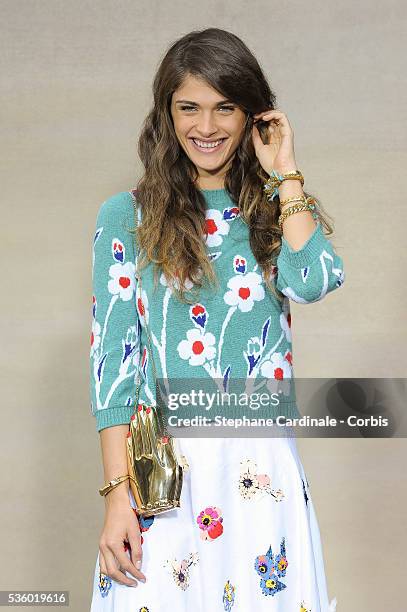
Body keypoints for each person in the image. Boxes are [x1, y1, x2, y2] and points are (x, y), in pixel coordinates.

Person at [89, 27, 343, 611]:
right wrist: (116, 496)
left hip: (260, 467)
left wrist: (286, 172)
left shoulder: (272, 210)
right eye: (189, 108)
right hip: (166, 472)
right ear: (167, 114)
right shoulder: (126, 216)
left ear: (252, 112)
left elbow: (316, 280)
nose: (206, 126)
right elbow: (114, 370)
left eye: (225, 107)